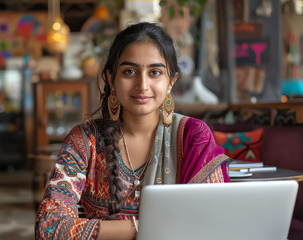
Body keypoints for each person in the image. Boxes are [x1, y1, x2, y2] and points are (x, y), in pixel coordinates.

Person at [35, 22, 230, 239]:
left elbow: (214, 221)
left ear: (171, 81)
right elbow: (49, 227)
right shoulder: (85, 141)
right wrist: (142, 227)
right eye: (129, 71)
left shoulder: (193, 137)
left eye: (155, 72)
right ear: (111, 78)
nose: (142, 85)